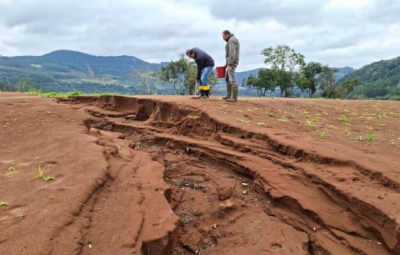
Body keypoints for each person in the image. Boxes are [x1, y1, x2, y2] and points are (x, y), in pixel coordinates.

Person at [222, 30, 240, 102]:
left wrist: (229, 64)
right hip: (230, 62)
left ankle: (234, 98)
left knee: (232, 79)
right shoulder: (232, 39)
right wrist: (226, 64)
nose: (223, 38)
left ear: (226, 35)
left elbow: (232, 53)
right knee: (227, 78)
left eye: (223, 36)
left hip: (232, 63)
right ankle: (229, 95)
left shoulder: (232, 40)